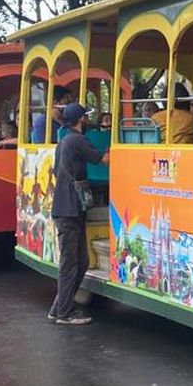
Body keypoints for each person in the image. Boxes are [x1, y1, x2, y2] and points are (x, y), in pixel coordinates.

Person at [49, 103, 110, 325]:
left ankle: (59, 308)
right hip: (69, 210)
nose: (87, 120)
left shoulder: (64, 141)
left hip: (68, 209)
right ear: (80, 119)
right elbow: (103, 159)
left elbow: (57, 171)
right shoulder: (77, 140)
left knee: (82, 262)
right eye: (85, 117)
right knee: (70, 263)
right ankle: (64, 313)